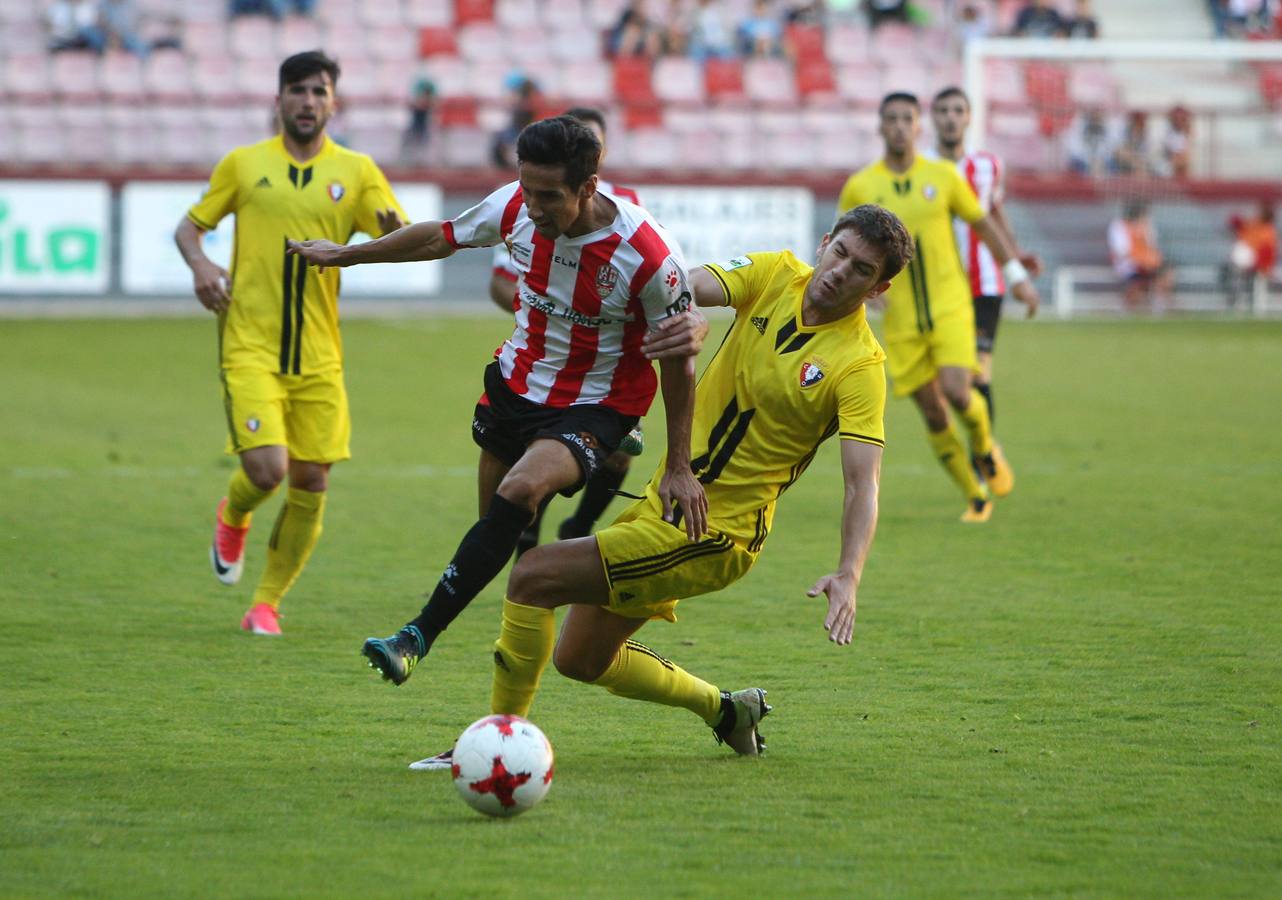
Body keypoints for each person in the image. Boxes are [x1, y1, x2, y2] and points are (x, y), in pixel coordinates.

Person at [410, 204, 913, 770]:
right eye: (840, 252)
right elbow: (685, 286)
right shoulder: (774, 274)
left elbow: (861, 483)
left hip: (717, 532)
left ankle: (497, 746)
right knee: (579, 657)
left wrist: (850, 573)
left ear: (879, 287)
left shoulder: (860, 365)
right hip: (666, 505)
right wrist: (686, 312)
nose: (841, 270)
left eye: (862, 269)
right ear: (825, 242)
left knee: (532, 575)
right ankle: (726, 710)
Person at [287, 116, 710, 685]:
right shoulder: (515, 205)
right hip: (516, 386)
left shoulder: (647, 255)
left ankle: (415, 636)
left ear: (589, 188)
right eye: (526, 189)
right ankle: (517, 667)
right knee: (503, 530)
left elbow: (681, 361)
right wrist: (348, 255)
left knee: (520, 490)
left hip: (598, 402)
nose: (532, 207)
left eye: (549, 196)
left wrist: (680, 465)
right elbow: (441, 236)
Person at [174, 51, 408, 636]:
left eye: (319, 91)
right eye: (298, 90)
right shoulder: (243, 164)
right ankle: (235, 512)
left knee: (312, 481)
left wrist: (387, 232)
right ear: (278, 100)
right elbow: (189, 226)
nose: (308, 101)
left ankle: (267, 604)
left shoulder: (356, 172)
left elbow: (396, 235)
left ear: (334, 102)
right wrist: (201, 264)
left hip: (320, 355)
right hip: (249, 342)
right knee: (267, 469)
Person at [837, 92, 1040, 522]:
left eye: (906, 119)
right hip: (901, 316)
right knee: (932, 411)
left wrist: (1017, 277)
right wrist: (856, 292)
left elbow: (983, 222)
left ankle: (984, 446)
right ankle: (975, 495)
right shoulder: (861, 185)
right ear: (879, 125)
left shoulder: (943, 176)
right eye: (890, 118)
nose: (898, 126)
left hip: (950, 305)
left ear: (917, 126)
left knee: (956, 390)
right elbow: (842, 245)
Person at [486, 108, 648, 557]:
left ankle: (579, 527)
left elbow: (645, 283)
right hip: (549, 357)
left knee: (619, 452)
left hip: (608, 364)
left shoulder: (628, 208)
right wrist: (548, 315)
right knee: (530, 464)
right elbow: (503, 281)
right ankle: (528, 542)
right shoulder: (534, 204)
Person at [929, 86, 1042, 428]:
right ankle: (972, 449)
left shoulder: (988, 165)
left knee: (979, 369)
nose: (951, 118)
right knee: (948, 380)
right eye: (944, 111)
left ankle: (984, 455)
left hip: (984, 282)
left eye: (958, 111)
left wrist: (1015, 256)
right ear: (933, 118)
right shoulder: (920, 167)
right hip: (939, 284)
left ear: (968, 118)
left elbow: (994, 211)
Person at [1108, 199, 1174, 312]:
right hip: (1128, 264)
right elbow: (1122, 251)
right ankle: (1128, 309)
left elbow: (1152, 246)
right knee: (1138, 283)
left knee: (1166, 274)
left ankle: (1160, 307)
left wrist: (1152, 260)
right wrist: (1143, 261)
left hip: (1147, 263)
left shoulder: (1146, 225)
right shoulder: (1119, 226)